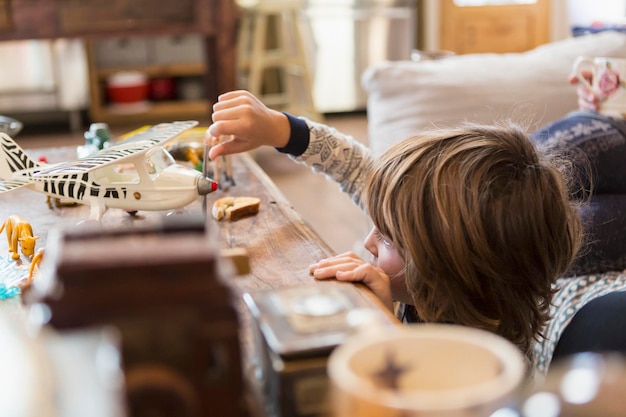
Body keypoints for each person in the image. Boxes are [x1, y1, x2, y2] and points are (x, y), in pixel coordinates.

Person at [207, 89, 584, 373]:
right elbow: (354, 166)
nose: (369, 240)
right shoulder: (430, 239)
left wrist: (385, 328)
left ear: (445, 270)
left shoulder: (485, 366)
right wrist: (281, 129)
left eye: (387, 239)